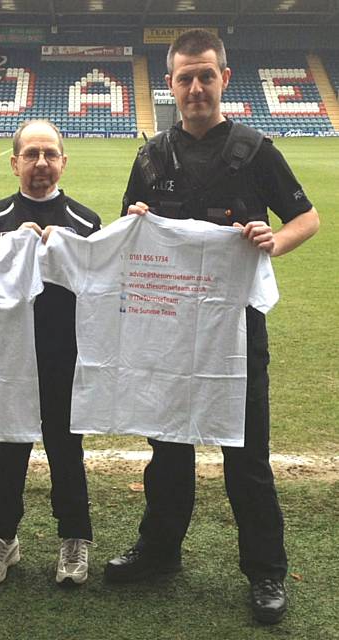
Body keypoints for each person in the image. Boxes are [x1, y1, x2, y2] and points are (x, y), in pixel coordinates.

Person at [103, 29, 319, 625]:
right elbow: (129, 225)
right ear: (170, 85)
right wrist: (136, 218)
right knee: (166, 444)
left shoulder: (255, 149)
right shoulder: (150, 155)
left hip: (236, 329)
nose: (195, 87)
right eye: (183, 78)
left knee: (246, 455)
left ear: (225, 78)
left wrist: (275, 241)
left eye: (205, 75)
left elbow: (307, 216)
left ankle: (267, 570)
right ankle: (160, 551)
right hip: (167, 330)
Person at [0, 120, 101, 585]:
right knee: (9, 447)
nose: (41, 163)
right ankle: (1, 537)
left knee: (67, 449)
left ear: (64, 162)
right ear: (14, 162)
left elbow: (102, 289)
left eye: (50, 154)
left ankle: (74, 538)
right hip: (9, 358)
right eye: (31, 154)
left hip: (65, 357)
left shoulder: (86, 223)